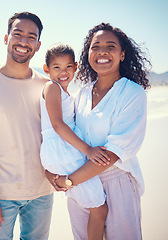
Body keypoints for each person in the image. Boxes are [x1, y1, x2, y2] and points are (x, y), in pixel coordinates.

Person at [45, 23, 151, 240]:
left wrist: (69, 181)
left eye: (110, 46)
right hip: (80, 182)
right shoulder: (82, 94)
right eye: (96, 47)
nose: (102, 51)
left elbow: (113, 153)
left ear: (122, 54)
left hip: (116, 181)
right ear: (88, 54)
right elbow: (63, 134)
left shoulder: (132, 93)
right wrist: (52, 172)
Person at [0, 12, 54, 240]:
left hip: (42, 192)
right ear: (6, 38)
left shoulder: (47, 86)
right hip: (1, 195)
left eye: (31, 37)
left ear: (37, 45)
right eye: (18, 34)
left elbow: (58, 133)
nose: (23, 42)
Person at [40, 43, 109, 240]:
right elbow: (57, 125)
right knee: (100, 209)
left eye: (68, 66)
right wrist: (88, 150)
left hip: (64, 152)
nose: (64, 72)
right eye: (57, 67)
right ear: (46, 69)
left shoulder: (64, 92)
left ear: (76, 66)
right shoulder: (52, 87)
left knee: (95, 208)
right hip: (65, 152)